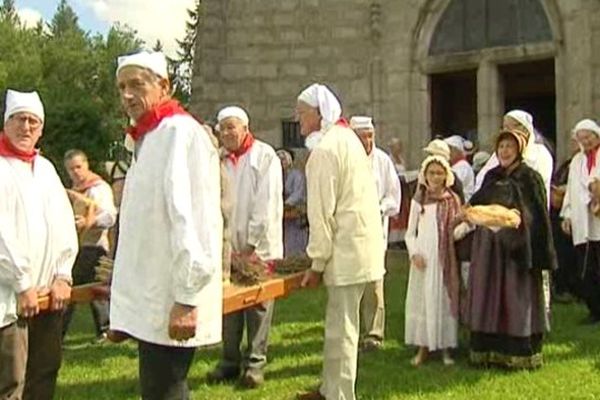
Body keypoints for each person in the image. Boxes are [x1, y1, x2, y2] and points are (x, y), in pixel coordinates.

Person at [108, 51, 223, 400]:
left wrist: (187, 298)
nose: (127, 95)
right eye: (122, 87)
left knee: (166, 390)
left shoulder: (179, 133)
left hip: (172, 296)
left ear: (164, 86)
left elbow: (194, 219)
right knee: (156, 389)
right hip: (154, 295)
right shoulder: (149, 137)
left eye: (137, 85)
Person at [296, 84, 385, 400]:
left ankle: (339, 396)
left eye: (302, 113)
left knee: (343, 330)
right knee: (340, 327)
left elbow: (322, 212)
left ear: (319, 114)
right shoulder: (347, 139)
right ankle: (329, 389)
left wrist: (317, 262)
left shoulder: (324, 150)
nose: (298, 119)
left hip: (347, 250)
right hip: (359, 247)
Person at [0, 89, 78, 399]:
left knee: (44, 373)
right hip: (9, 297)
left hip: (48, 296)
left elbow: (62, 223)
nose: (27, 127)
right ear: (6, 123)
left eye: (33, 121)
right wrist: (21, 283)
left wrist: (62, 274)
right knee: (10, 380)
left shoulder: (45, 170)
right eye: (20, 120)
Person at [466, 129, 556, 369]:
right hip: (491, 247)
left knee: (516, 295)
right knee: (490, 292)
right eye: (502, 146)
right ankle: (489, 348)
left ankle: (520, 351)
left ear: (519, 149)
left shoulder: (530, 178)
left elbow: (537, 216)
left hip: (517, 247)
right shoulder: (491, 176)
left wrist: (514, 222)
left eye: (510, 147)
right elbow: (476, 203)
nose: (505, 151)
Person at [207, 106, 283, 388]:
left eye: (232, 127)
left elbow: (266, 204)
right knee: (228, 303)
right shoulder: (217, 160)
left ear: (245, 128)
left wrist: (250, 244)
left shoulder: (264, 157)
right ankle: (229, 360)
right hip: (227, 245)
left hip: (258, 246)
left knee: (258, 304)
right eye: (222, 128)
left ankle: (255, 363)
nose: (227, 133)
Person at [404, 155, 462, 366]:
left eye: (440, 173)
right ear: (425, 176)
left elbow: (456, 231)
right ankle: (423, 347)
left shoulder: (452, 200)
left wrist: (468, 222)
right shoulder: (419, 200)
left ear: (446, 175)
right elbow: (410, 233)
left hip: (444, 258)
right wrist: (414, 253)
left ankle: (445, 347)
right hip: (424, 257)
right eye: (432, 173)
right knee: (424, 299)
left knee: (442, 299)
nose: (436, 177)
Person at [350, 115, 401, 351]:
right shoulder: (346, 160)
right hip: (349, 234)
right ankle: (351, 332)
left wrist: (378, 209)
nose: (368, 141)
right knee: (351, 285)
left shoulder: (382, 160)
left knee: (374, 284)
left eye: (370, 136)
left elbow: (394, 197)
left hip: (374, 234)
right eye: (362, 137)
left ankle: (373, 334)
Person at [62, 149, 117, 342]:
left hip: (95, 246)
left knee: (90, 289)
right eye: (71, 169)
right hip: (76, 247)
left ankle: (105, 329)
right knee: (88, 289)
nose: (75, 172)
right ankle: (105, 329)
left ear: (87, 165)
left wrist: (88, 222)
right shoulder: (73, 192)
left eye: (78, 167)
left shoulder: (98, 188)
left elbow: (110, 216)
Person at [560, 119, 600, 322]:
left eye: (589, 136)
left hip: (598, 219)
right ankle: (594, 309)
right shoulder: (576, 161)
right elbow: (571, 190)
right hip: (582, 221)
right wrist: (567, 215)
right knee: (587, 268)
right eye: (582, 138)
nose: (586, 141)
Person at [277, 148, 308, 256]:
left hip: (295, 214)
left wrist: (285, 204)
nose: (281, 162)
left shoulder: (296, 175)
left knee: (295, 243)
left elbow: (298, 194)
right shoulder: (276, 175)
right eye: (279, 159)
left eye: (283, 159)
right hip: (281, 216)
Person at [444, 135, 475, 201]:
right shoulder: (455, 166)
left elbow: (451, 185)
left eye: (450, 149)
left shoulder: (463, 166)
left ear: (457, 151)